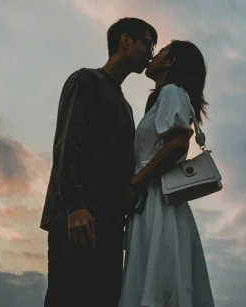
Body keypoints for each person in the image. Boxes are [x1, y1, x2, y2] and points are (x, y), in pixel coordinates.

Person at [40, 17, 157, 307]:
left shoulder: (127, 108)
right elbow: (69, 143)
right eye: (148, 42)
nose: (152, 52)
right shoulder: (86, 80)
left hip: (109, 225)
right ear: (125, 41)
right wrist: (74, 205)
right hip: (77, 218)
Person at [119, 40, 215, 307]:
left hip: (156, 198)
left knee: (158, 278)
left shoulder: (172, 91)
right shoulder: (165, 96)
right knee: (160, 278)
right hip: (157, 198)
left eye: (161, 51)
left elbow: (178, 143)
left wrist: (136, 183)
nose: (154, 55)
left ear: (171, 61)